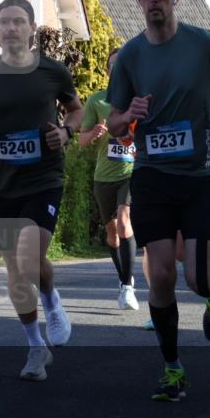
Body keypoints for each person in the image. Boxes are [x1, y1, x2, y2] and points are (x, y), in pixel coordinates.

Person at [107, 0, 210, 402]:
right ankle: (173, 369)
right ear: (139, 0)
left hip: (202, 175)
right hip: (152, 176)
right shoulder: (129, 56)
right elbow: (114, 124)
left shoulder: (202, 43)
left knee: (196, 278)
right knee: (159, 276)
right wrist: (128, 115)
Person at [0, 0, 82, 380]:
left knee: (28, 256)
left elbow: (76, 110)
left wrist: (66, 132)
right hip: (1, 184)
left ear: (31, 29)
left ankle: (51, 306)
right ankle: (36, 344)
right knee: (16, 269)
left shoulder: (53, 72)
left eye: (18, 21)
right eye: (4, 22)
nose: (10, 28)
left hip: (43, 179)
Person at [78, 48, 139, 311]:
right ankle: (124, 275)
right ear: (107, 70)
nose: (117, 69)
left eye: (122, 64)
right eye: (113, 65)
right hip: (103, 176)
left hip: (130, 173)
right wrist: (94, 132)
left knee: (124, 222)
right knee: (112, 233)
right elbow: (81, 141)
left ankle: (127, 287)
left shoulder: (138, 100)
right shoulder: (97, 100)